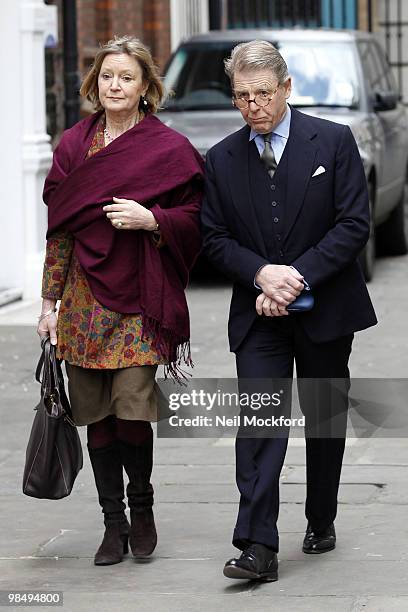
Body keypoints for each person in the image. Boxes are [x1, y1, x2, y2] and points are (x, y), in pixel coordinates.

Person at [201, 40, 377, 582]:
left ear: (286, 89)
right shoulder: (222, 158)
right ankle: (257, 544)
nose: (252, 106)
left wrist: (291, 278)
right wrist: (260, 274)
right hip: (258, 315)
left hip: (325, 308)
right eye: (242, 96)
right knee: (259, 422)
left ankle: (321, 516)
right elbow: (214, 237)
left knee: (324, 420)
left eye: (262, 94)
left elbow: (353, 224)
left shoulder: (334, 140)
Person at [37, 35, 204, 566]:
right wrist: (48, 303)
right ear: (95, 84)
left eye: (126, 77)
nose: (115, 85)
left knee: (133, 410)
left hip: (139, 296)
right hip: (84, 298)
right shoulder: (72, 146)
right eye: (107, 76)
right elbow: (59, 232)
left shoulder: (168, 148)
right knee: (96, 416)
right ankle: (113, 523)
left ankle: (143, 509)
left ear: (146, 88)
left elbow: (198, 219)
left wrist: (152, 219)